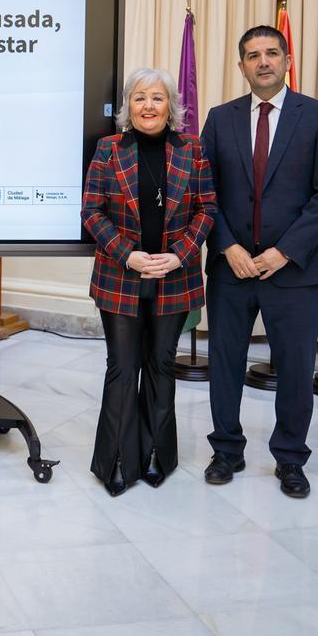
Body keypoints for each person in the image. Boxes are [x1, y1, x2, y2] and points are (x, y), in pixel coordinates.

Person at [200, 25, 318, 498]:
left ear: (285, 60)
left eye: (271, 53)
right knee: (224, 362)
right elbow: (205, 193)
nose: (263, 61)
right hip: (232, 268)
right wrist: (228, 246)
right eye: (252, 55)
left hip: (295, 270)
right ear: (241, 66)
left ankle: (290, 458)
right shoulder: (220, 119)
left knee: (296, 367)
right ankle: (226, 450)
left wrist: (283, 252)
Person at [82, 68, 217, 497]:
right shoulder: (107, 149)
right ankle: (117, 459)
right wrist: (129, 255)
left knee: (161, 365)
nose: (148, 106)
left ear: (170, 106)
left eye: (157, 98)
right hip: (120, 275)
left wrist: (180, 255)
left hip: (174, 278)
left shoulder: (192, 150)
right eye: (139, 98)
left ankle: (159, 452)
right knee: (123, 368)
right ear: (128, 107)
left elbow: (207, 209)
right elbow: (91, 212)